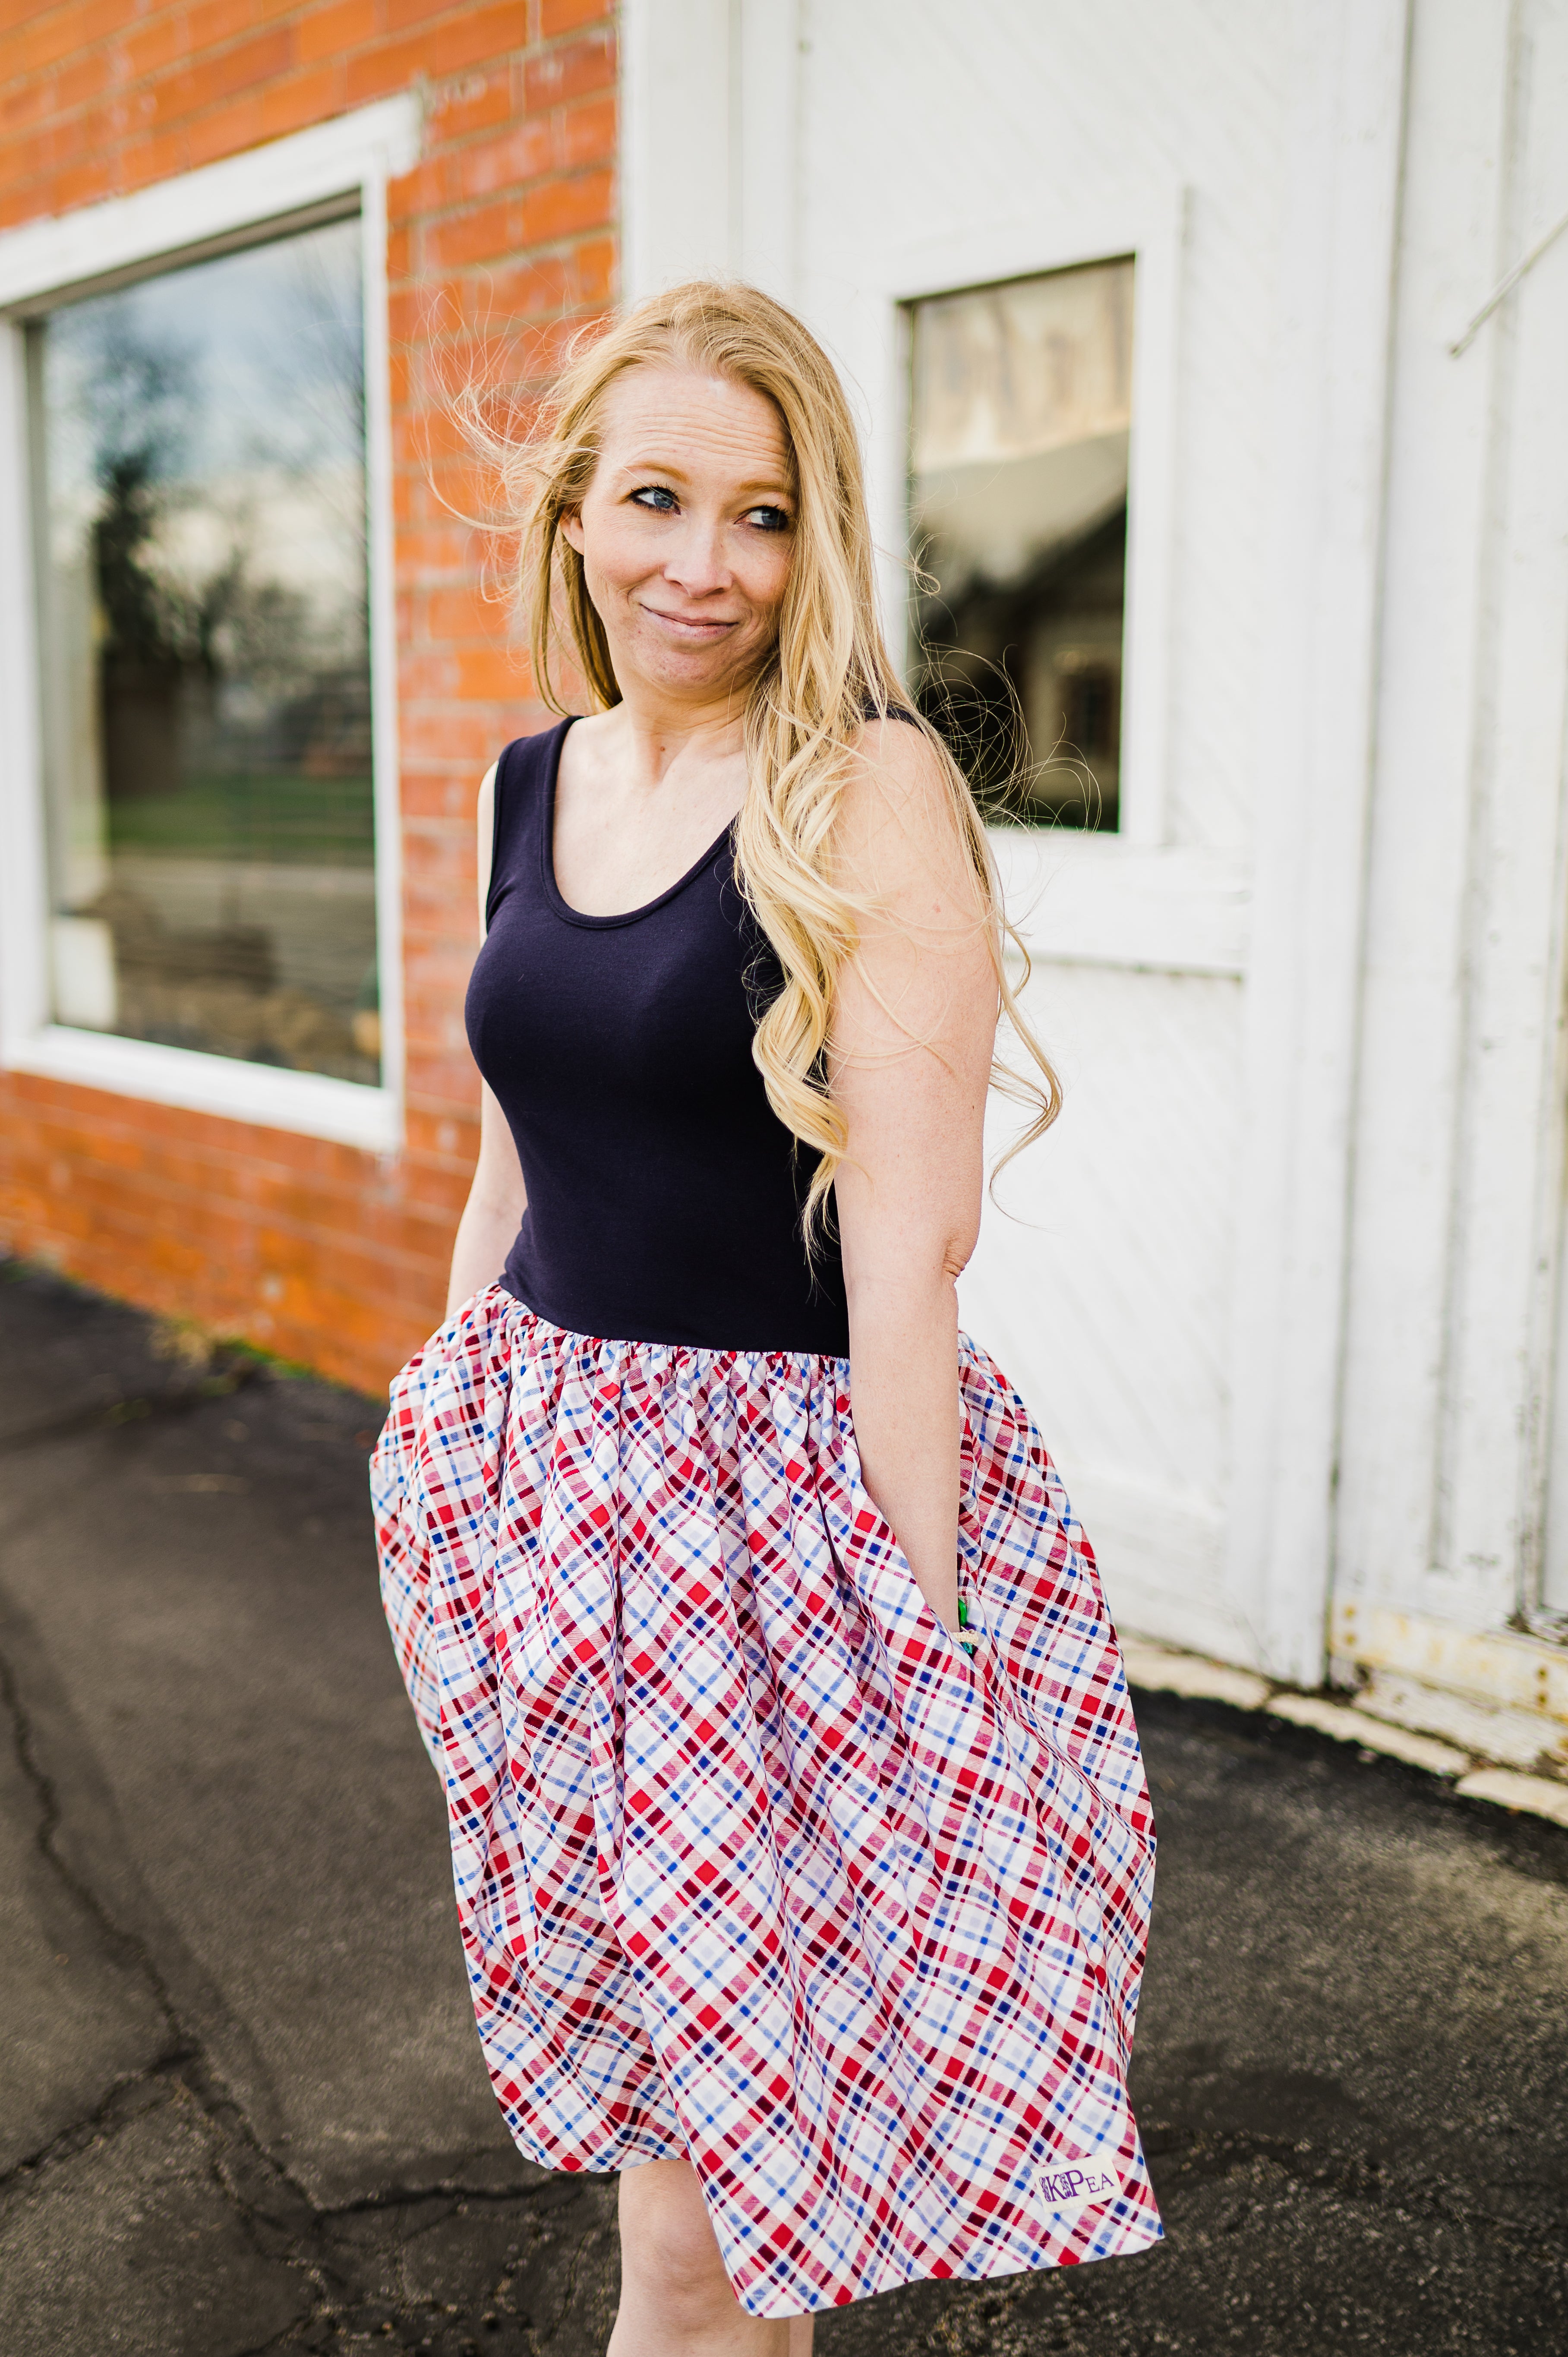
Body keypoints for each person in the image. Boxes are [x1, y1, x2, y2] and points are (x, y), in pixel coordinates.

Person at [372, 281, 1161, 2354]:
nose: (702, 567)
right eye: (656, 499)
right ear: (575, 504)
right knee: (684, 2142)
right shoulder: (523, 785)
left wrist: (913, 1665)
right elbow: (511, 1159)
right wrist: (449, 1458)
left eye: (767, 514)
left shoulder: (865, 791)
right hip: (552, 1523)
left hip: (775, 1560)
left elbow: (908, 1252)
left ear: (823, 542)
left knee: (715, 2236)